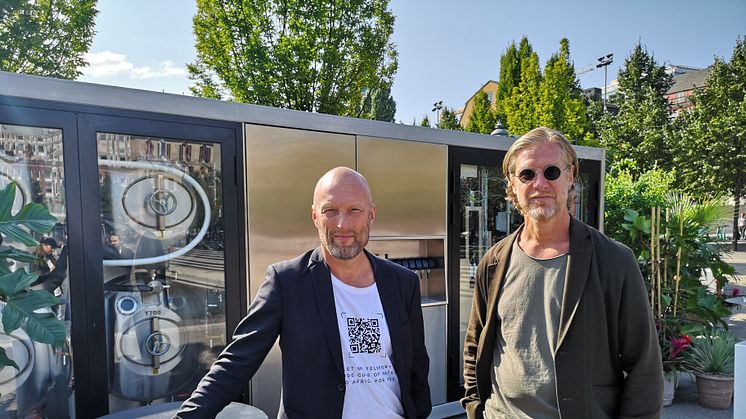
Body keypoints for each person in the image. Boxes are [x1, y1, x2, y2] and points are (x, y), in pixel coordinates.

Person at [176, 167, 431, 418]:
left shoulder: (402, 282)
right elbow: (236, 361)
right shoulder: (286, 281)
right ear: (315, 217)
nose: (342, 224)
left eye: (354, 210)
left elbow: (416, 366)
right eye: (330, 210)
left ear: (371, 215)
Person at [462, 127, 662, 418]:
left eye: (552, 171)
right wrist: (474, 408)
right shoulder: (493, 262)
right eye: (527, 174)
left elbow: (644, 366)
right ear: (512, 185)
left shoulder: (614, 260)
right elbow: (475, 345)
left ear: (571, 176)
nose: (539, 183)